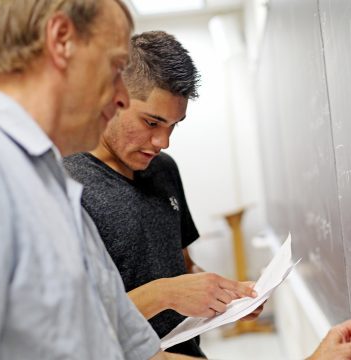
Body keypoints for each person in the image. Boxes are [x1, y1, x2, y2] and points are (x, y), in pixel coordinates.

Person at [0, 0, 172, 359]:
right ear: (61, 39)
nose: (121, 97)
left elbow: (143, 356)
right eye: (116, 68)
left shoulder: (56, 190)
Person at [64, 30, 260, 358]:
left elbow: (181, 266)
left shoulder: (164, 169)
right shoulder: (64, 185)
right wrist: (164, 294)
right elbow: (75, 323)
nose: (163, 142)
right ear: (113, 99)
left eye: (173, 125)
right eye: (151, 122)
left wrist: (225, 295)